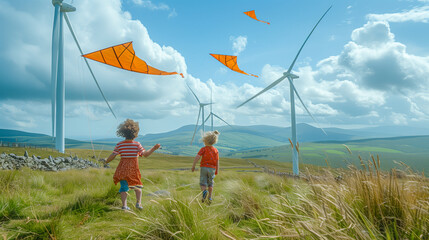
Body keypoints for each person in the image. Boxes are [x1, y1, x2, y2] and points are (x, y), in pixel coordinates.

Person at [105, 119, 161, 210]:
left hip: (122, 169)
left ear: (123, 133)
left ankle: (124, 206)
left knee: (123, 187)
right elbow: (145, 154)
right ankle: (138, 204)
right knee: (137, 187)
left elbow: (113, 155)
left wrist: (106, 161)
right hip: (133, 170)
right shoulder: (137, 144)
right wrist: (154, 148)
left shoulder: (120, 145)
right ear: (135, 133)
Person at [191, 130, 220, 203]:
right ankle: (210, 197)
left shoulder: (203, 149)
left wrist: (193, 165)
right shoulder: (216, 150)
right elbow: (217, 161)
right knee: (210, 183)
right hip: (212, 169)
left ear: (205, 140)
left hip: (204, 167)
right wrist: (217, 170)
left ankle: (204, 192)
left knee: (203, 182)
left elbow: (197, 157)